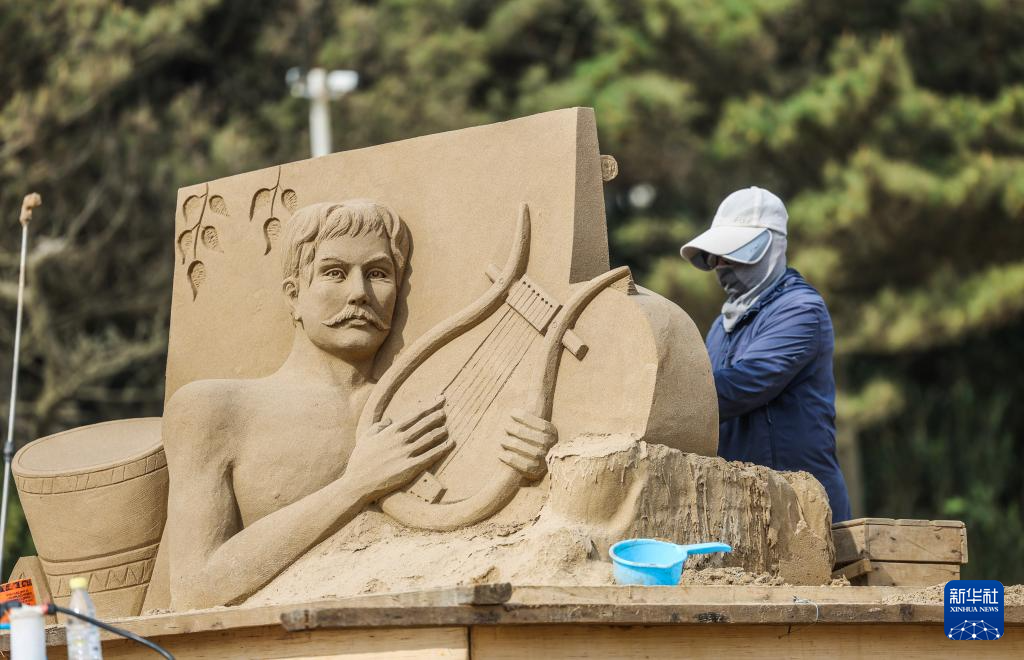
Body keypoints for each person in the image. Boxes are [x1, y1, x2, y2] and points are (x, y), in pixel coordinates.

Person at [162, 200, 556, 609]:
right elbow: (195, 590)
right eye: (334, 273)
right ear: (294, 296)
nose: (359, 294)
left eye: (378, 274)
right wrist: (356, 486)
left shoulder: (423, 408)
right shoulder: (214, 409)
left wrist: (533, 468)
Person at [680, 187, 851, 522]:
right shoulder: (721, 326)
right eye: (714, 258)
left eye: (730, 255)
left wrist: (660, 397)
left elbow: (743, 384)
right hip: (742, 510)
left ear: (770, 248)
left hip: (801, 511)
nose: (720, 267)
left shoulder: (801, 310)